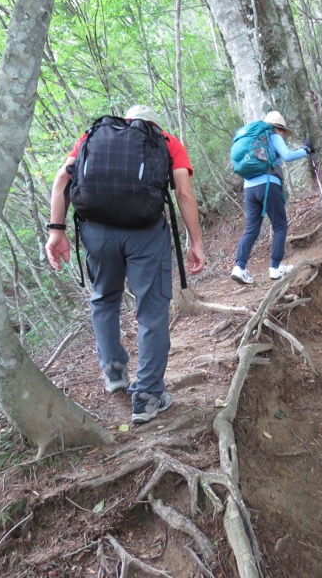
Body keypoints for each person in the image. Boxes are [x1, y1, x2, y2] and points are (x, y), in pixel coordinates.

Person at [45, 105, 205, 425]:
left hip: (97, 232)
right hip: (145, 233)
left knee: (104, 298)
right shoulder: (166, 141)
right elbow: (184, 194)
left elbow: (63, 178)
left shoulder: (93, 136)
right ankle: (147, 396)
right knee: (151, 310)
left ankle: (114, 372)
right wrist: (195, 241)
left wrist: (56, 231)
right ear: (154, 126)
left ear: (126, 121)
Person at [231, 110, 312, 285]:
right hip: (268, 185)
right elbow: (288, 156)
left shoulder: (255, 138)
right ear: (278, 128)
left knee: (251, 228)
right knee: (280, 225)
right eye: (283, 131)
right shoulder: (273, 136)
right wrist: (306, 150)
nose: (283, 134)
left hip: (249, 188)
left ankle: (239, 268)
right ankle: (275, 268)